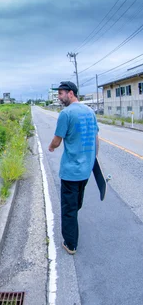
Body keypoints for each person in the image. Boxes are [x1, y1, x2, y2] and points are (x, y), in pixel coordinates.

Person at [48, 81, 99, 255]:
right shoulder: (90, 112)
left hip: (71, 171)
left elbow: (57, 139)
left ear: (71, 93)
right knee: (76, 202)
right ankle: (72, 225)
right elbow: (95, 139)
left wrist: (51, 147)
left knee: (68, 208)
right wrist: (93, 158)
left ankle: (70, 244)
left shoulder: (66, 114)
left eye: (61, 93)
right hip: (86, 170)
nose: (59, 97)